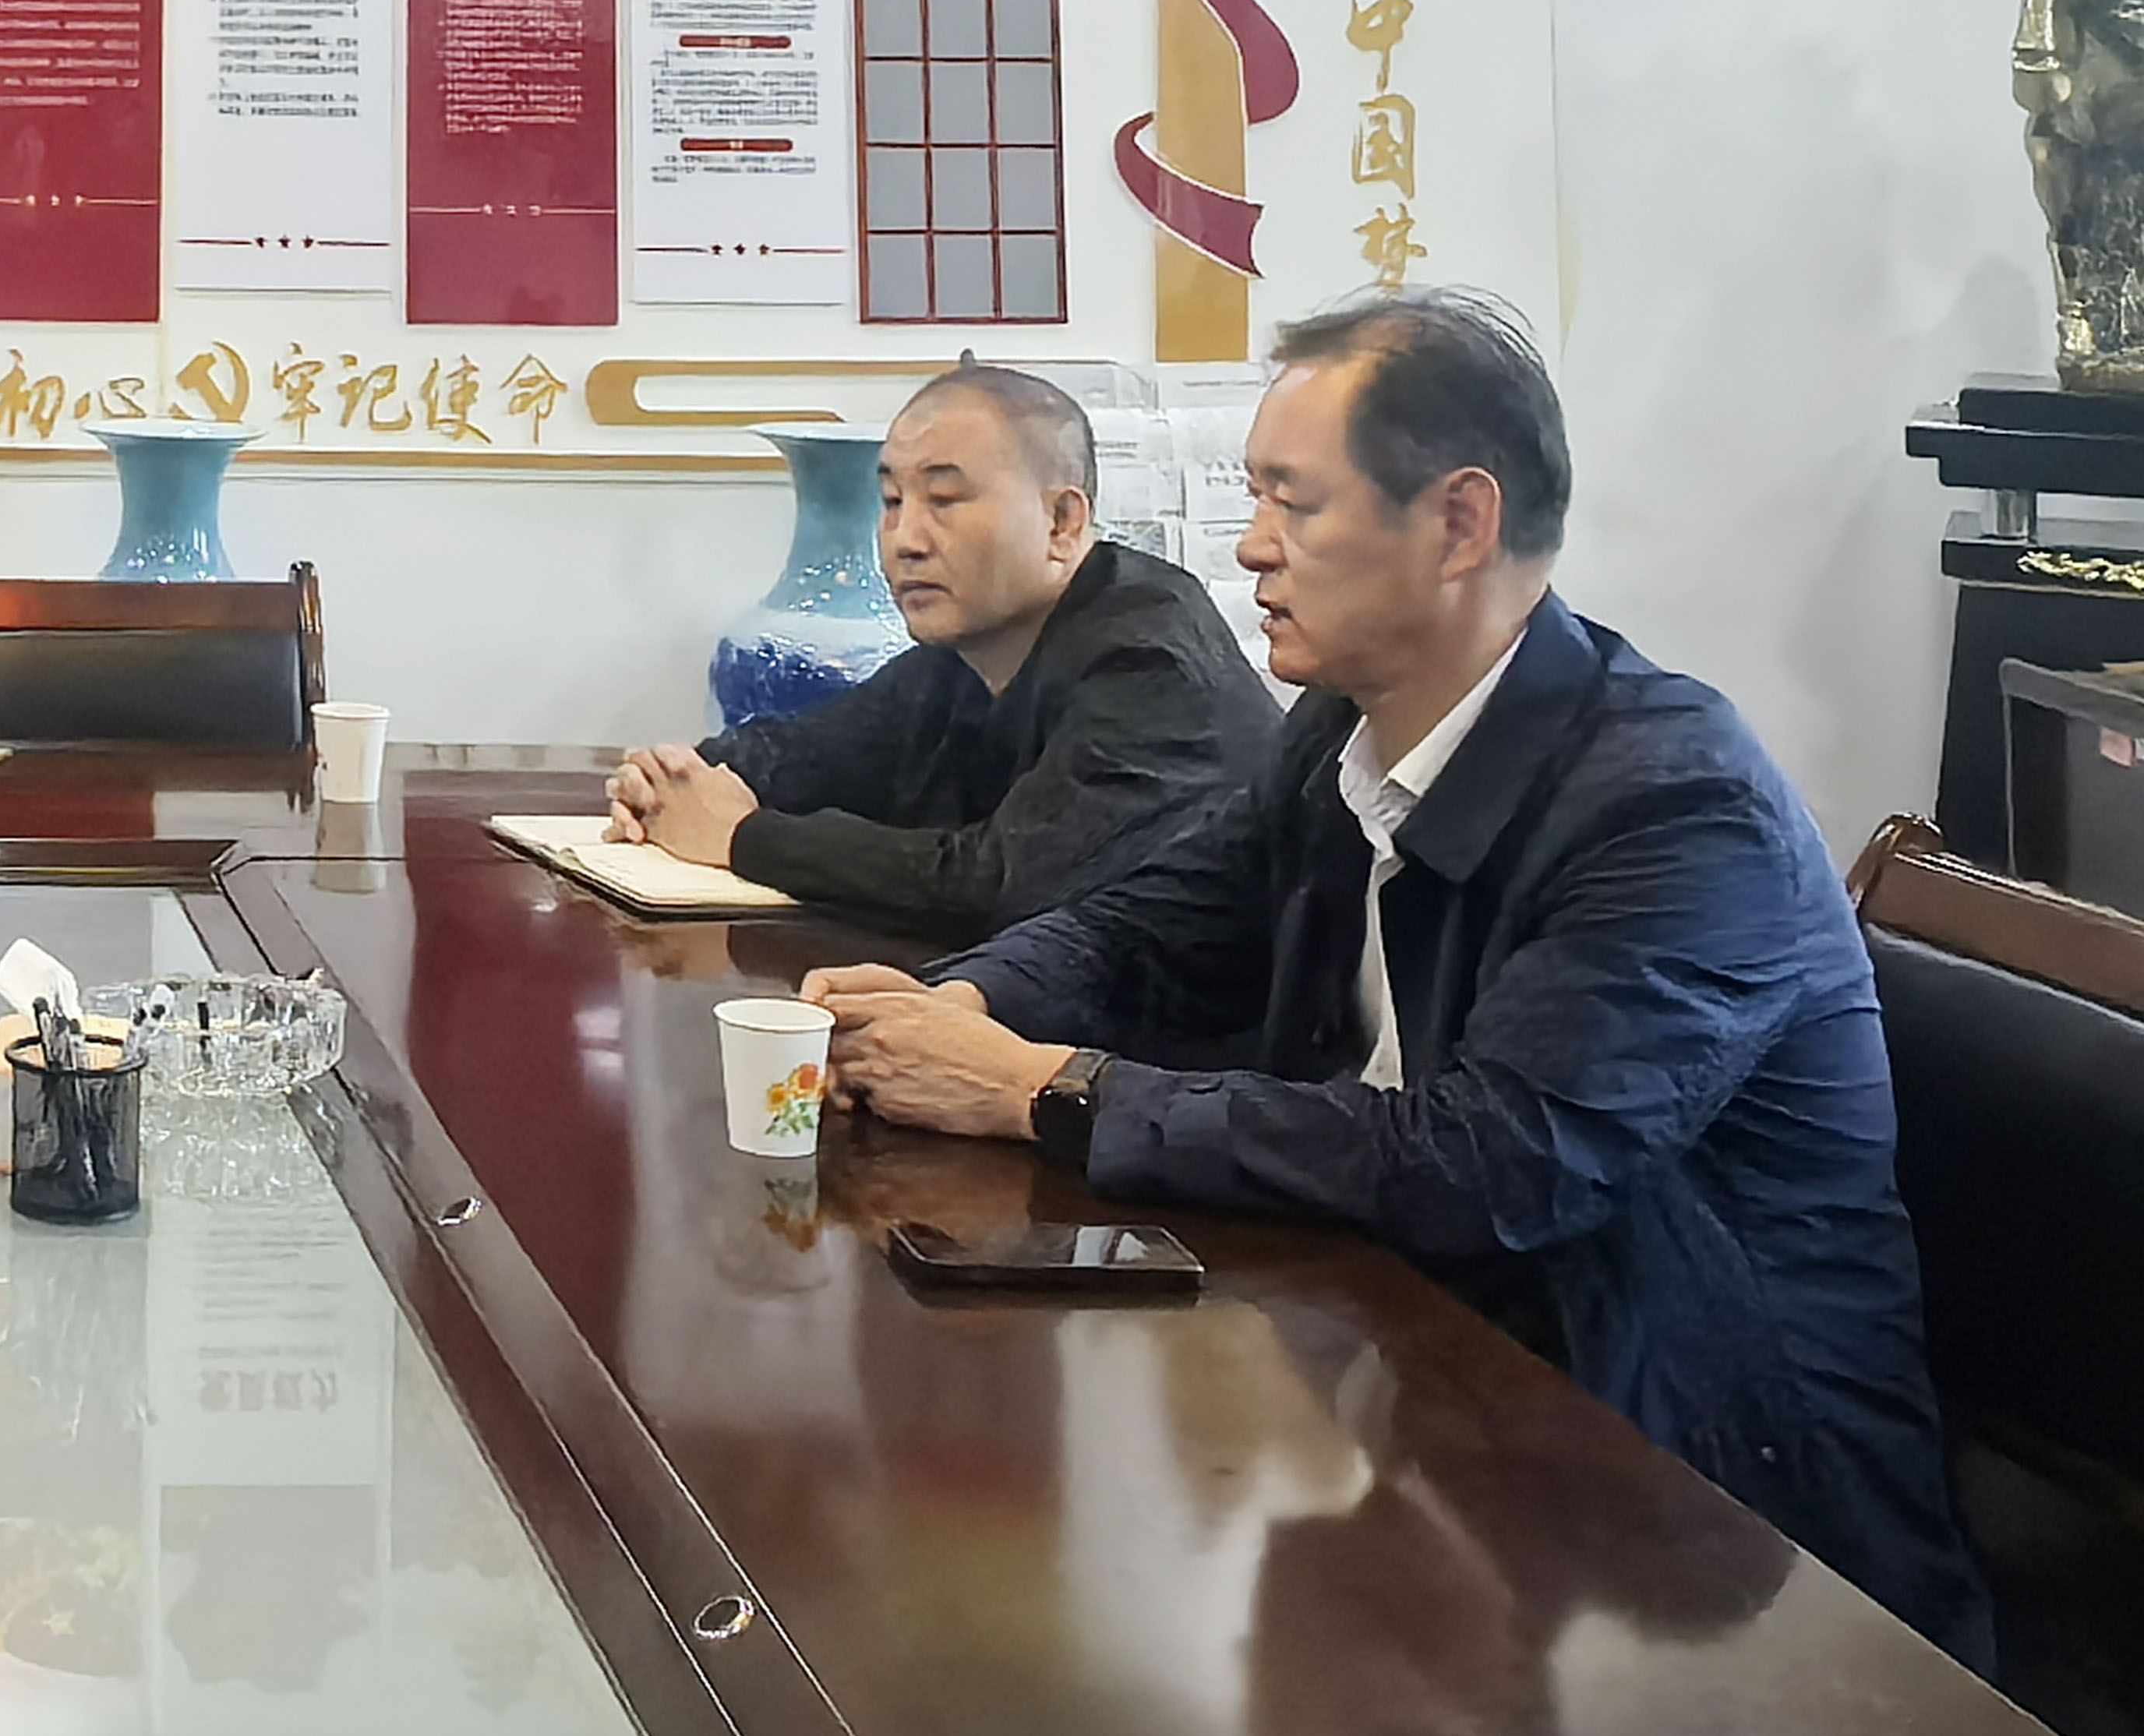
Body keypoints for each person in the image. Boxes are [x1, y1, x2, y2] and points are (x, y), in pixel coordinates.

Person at [806, 291, 1989, 1659]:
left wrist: (1044, 1089)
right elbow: (1157, 922)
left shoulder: (1674, 807)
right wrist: (964, 1005)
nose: (1250, 545)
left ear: (1460, 524)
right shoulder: (1341, 734)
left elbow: (1496, 1163)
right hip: (1435, 1376)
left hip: (1729, 1529)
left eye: (1293, 504)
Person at [604, 363, 1280, 942]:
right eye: (892, 501)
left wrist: (742, 837)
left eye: (946, 500)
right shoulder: (967, 651)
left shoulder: (1148, 658)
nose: (906, 539)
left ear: (1061, 522)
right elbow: (806, 754)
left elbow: (997, 885)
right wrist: (671, 783)